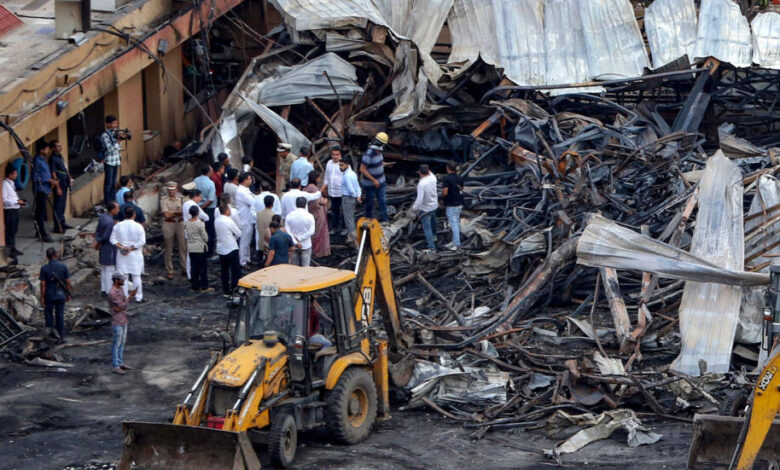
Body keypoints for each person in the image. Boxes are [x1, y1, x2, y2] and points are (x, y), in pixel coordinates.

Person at [111, 206, 146, 303]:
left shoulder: (117, 226)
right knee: (136, 276)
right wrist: (130, 248)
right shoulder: (139, 226)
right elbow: (142, 241)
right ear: (134, 215)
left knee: (123, 277)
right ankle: (139, 297)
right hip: (135, 254)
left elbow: (112, 240)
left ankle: (125, 297)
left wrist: (122, 247)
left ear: (124, 215)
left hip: (122, 255)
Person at [39, 247, 71, 340]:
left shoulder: (44, 268)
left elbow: (43, 284)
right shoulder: (63, 266)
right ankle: (61, 335)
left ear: (47, 256)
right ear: (56, 255)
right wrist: (68, 293)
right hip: (60, 294)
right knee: (59, 315)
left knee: (49, 315)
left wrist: (42, 298)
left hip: (49, 295)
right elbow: (68, 281)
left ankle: (51, 335)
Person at [108, 272, 136, 375]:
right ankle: (116, 365)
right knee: (117, 343)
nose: (123, 281)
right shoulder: (112, 293)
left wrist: (124, 303)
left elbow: (122, 305)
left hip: (123, 318)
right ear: (116, 280)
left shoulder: (120, 289)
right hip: (117, 320)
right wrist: (130, 297)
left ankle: (120, 362)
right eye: (121, 279)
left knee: (122, 342)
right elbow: (123, 305)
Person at [360, 132, 389, 222]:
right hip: (370, 184)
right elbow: (362, 169)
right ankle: (368, 220)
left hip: (381, 182)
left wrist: (384, 164)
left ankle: (385, 220)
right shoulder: (369, 154)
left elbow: (378, 163)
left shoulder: (380, 152)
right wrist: (373, 180)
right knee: (370, 203)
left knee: (383, 201)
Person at [160, 181, 186, 280]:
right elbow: (166, 215)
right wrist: (177, 212)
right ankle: (169, 270)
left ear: (176, 190)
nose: (172, 192)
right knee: (168, 248)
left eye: (173, 190)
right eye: (170, 190)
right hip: (168, 223)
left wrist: (172, 213)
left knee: (182, 246)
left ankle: (184, 267)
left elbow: (184, 212)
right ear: (167, 190)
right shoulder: (164, 200)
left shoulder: (181, 198)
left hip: (179, 223)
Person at [215, 205, 242, 295]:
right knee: (235, 270)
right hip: (231, 247)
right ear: (226, 211)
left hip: (221, 248)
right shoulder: (229, 221)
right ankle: (234, 288)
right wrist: (234, 236)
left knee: (224, 271)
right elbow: (239, 233)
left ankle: (226, 290)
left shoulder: (217, 220)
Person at [32, 140, 55, 242]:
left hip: (45, 189)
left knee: (40, 212)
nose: (48, 150)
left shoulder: (43, 160)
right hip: (40, 189)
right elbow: (35, 177)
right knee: (40, 213)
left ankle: (39, 231)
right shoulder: (37, 161)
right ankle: (42, 233)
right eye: (46, 149)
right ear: (41, 150)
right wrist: (48, 180)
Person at [100, 115, 126, 204]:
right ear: (108, 124)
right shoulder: (105, 135)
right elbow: (109, 149)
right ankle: (108, 202)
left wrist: (120, 139)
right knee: (108, 183)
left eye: (116, 123)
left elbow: (119, 148)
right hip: (109, 161)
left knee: (114, 182)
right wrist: (117, 141)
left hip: (116, 160)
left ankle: (113, 200)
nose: (115, 125)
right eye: (113, 123)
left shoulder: (115, 133)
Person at [412, 164, 439, 252]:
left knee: (427, 229)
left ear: (419, 172)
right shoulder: (433, 178)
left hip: (425, 209)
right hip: (434, 206)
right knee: (433, 223)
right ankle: (435, 237)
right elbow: (430, 172)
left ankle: (432, 248)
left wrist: (414, 208)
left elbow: (419, 199)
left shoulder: (421, 184)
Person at [304, 170, 330, 258]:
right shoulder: (314, 189)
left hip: (310, 211)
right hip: (318, 213)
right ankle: (318, 252)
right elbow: (320, 201)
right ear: (316, 178)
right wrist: (326, 200)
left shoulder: (306, 188)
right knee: (319, 232)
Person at [185, 205, 211, 292]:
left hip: (191, 247)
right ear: (198, 213)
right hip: (200, 247)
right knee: (202, 267)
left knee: (194, 267)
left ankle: (195, 285)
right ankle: (204, 285)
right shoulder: (200, 224)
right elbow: (205, 237)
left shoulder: (187, 223)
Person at [96, 202, 119, 295]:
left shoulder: (102, 217)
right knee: (110, 270)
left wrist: (98, 241)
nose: (118, 210)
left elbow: (98, 231)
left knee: (104, 269)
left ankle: (104, 289)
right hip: (109, 247)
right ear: (112, 210)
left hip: (103, 246)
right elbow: (106, 236)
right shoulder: (111, 223)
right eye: (117, 209)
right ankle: (109, 290)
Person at [49, 139, 73, 233]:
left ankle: (62, 223)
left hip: (64, 181)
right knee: (58, 205)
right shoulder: (53, 158)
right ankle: (57, 226)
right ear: (53, 148)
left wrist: (70, 178)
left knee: (62, 205)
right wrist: (57, 187)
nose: (60, 147)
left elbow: (65, 167)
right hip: (60, 182)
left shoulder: (60, 156)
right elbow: (53, 173)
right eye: (58, 146)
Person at [285, 197, 316, 267]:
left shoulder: (289, 216)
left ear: (296, 204)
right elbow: (311, 231)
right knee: (305, 268)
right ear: (305, 205)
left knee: (294, 268)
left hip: (293, 245)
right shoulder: (309, 216)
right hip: (306, 245)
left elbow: (287, 231)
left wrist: (295, 242)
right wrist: (300, 238)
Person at [3, 165, 26, 257]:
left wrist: (20, 202)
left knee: (14, 229)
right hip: (9, 210)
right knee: (10, 230)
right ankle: (10, 249)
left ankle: (13, 247)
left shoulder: (11, 183)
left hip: (15, 208)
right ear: (10, 175)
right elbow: (4, 199)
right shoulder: (5, 184)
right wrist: (16, 201)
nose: (16, 175)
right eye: (15, 173)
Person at [194, 165, 217, 256]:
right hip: (208, 209)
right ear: (208, 172)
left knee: (199, 229)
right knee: (209, 231)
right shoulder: (211, 183)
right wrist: (202, 208)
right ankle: (208, 252)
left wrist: (199, 208)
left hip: (197, 207)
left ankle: (200, 249)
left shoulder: (195, 180)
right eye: (212, 171)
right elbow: (211, 199)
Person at [441, 160, 465, 250]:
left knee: (453, 224)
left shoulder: (447, 179)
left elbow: (445, 192)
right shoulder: (460, 178)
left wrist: (442, 197)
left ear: (448, 168)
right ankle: (455, 241)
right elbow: (462, 189)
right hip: (459, 203)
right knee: (456, 223)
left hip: (451, 204)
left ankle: (456, 244)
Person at [322, 145, 344, 234]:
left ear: (340, 155)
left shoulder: (344, 164)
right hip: (332, 192)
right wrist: (324, 187)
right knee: (334, 211)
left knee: (342, 211)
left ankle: (342, 228)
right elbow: (326, 177)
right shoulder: (329, 163)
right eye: (333, 154)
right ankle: (334, 227)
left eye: (337, 155)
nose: (335, 156)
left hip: (341, 192)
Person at [235, 172, 255, 267]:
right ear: (245, 180)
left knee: (248, 240)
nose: (251, 181)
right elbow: (252, 201)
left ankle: (247, 258)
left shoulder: (246, 190)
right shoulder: (241, 191)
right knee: (244, 241)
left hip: (248, 218)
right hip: (244, 219)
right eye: (249, 179)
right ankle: (242, 261)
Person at [339, 159, 362, 242]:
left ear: (347, 165)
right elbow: (357, 186)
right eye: (339, 165)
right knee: (351, 217)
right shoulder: (353, 173)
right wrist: (358, 195)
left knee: (349, 219)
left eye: (342, 165)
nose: (340, 167)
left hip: (348, 198)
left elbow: (350, 189)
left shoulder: (346, 176)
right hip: (352, 198)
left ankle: (353, 238)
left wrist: (356, 196)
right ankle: (352, 235)